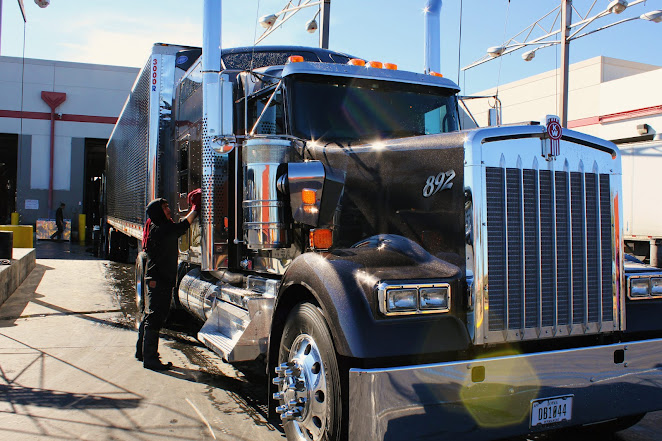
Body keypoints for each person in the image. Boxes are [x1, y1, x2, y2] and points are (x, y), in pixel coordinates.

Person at [135, 189, 201, 370]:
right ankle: (151, 359)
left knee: (150, 316)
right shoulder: (162, 228)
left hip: (157, 279)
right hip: (159, 280)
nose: (169, 210)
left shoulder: (158, 226)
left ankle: (141, 352)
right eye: (165, 208)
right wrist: (195, 208)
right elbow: (183, 226)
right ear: (158, 212)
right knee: (155, 318)